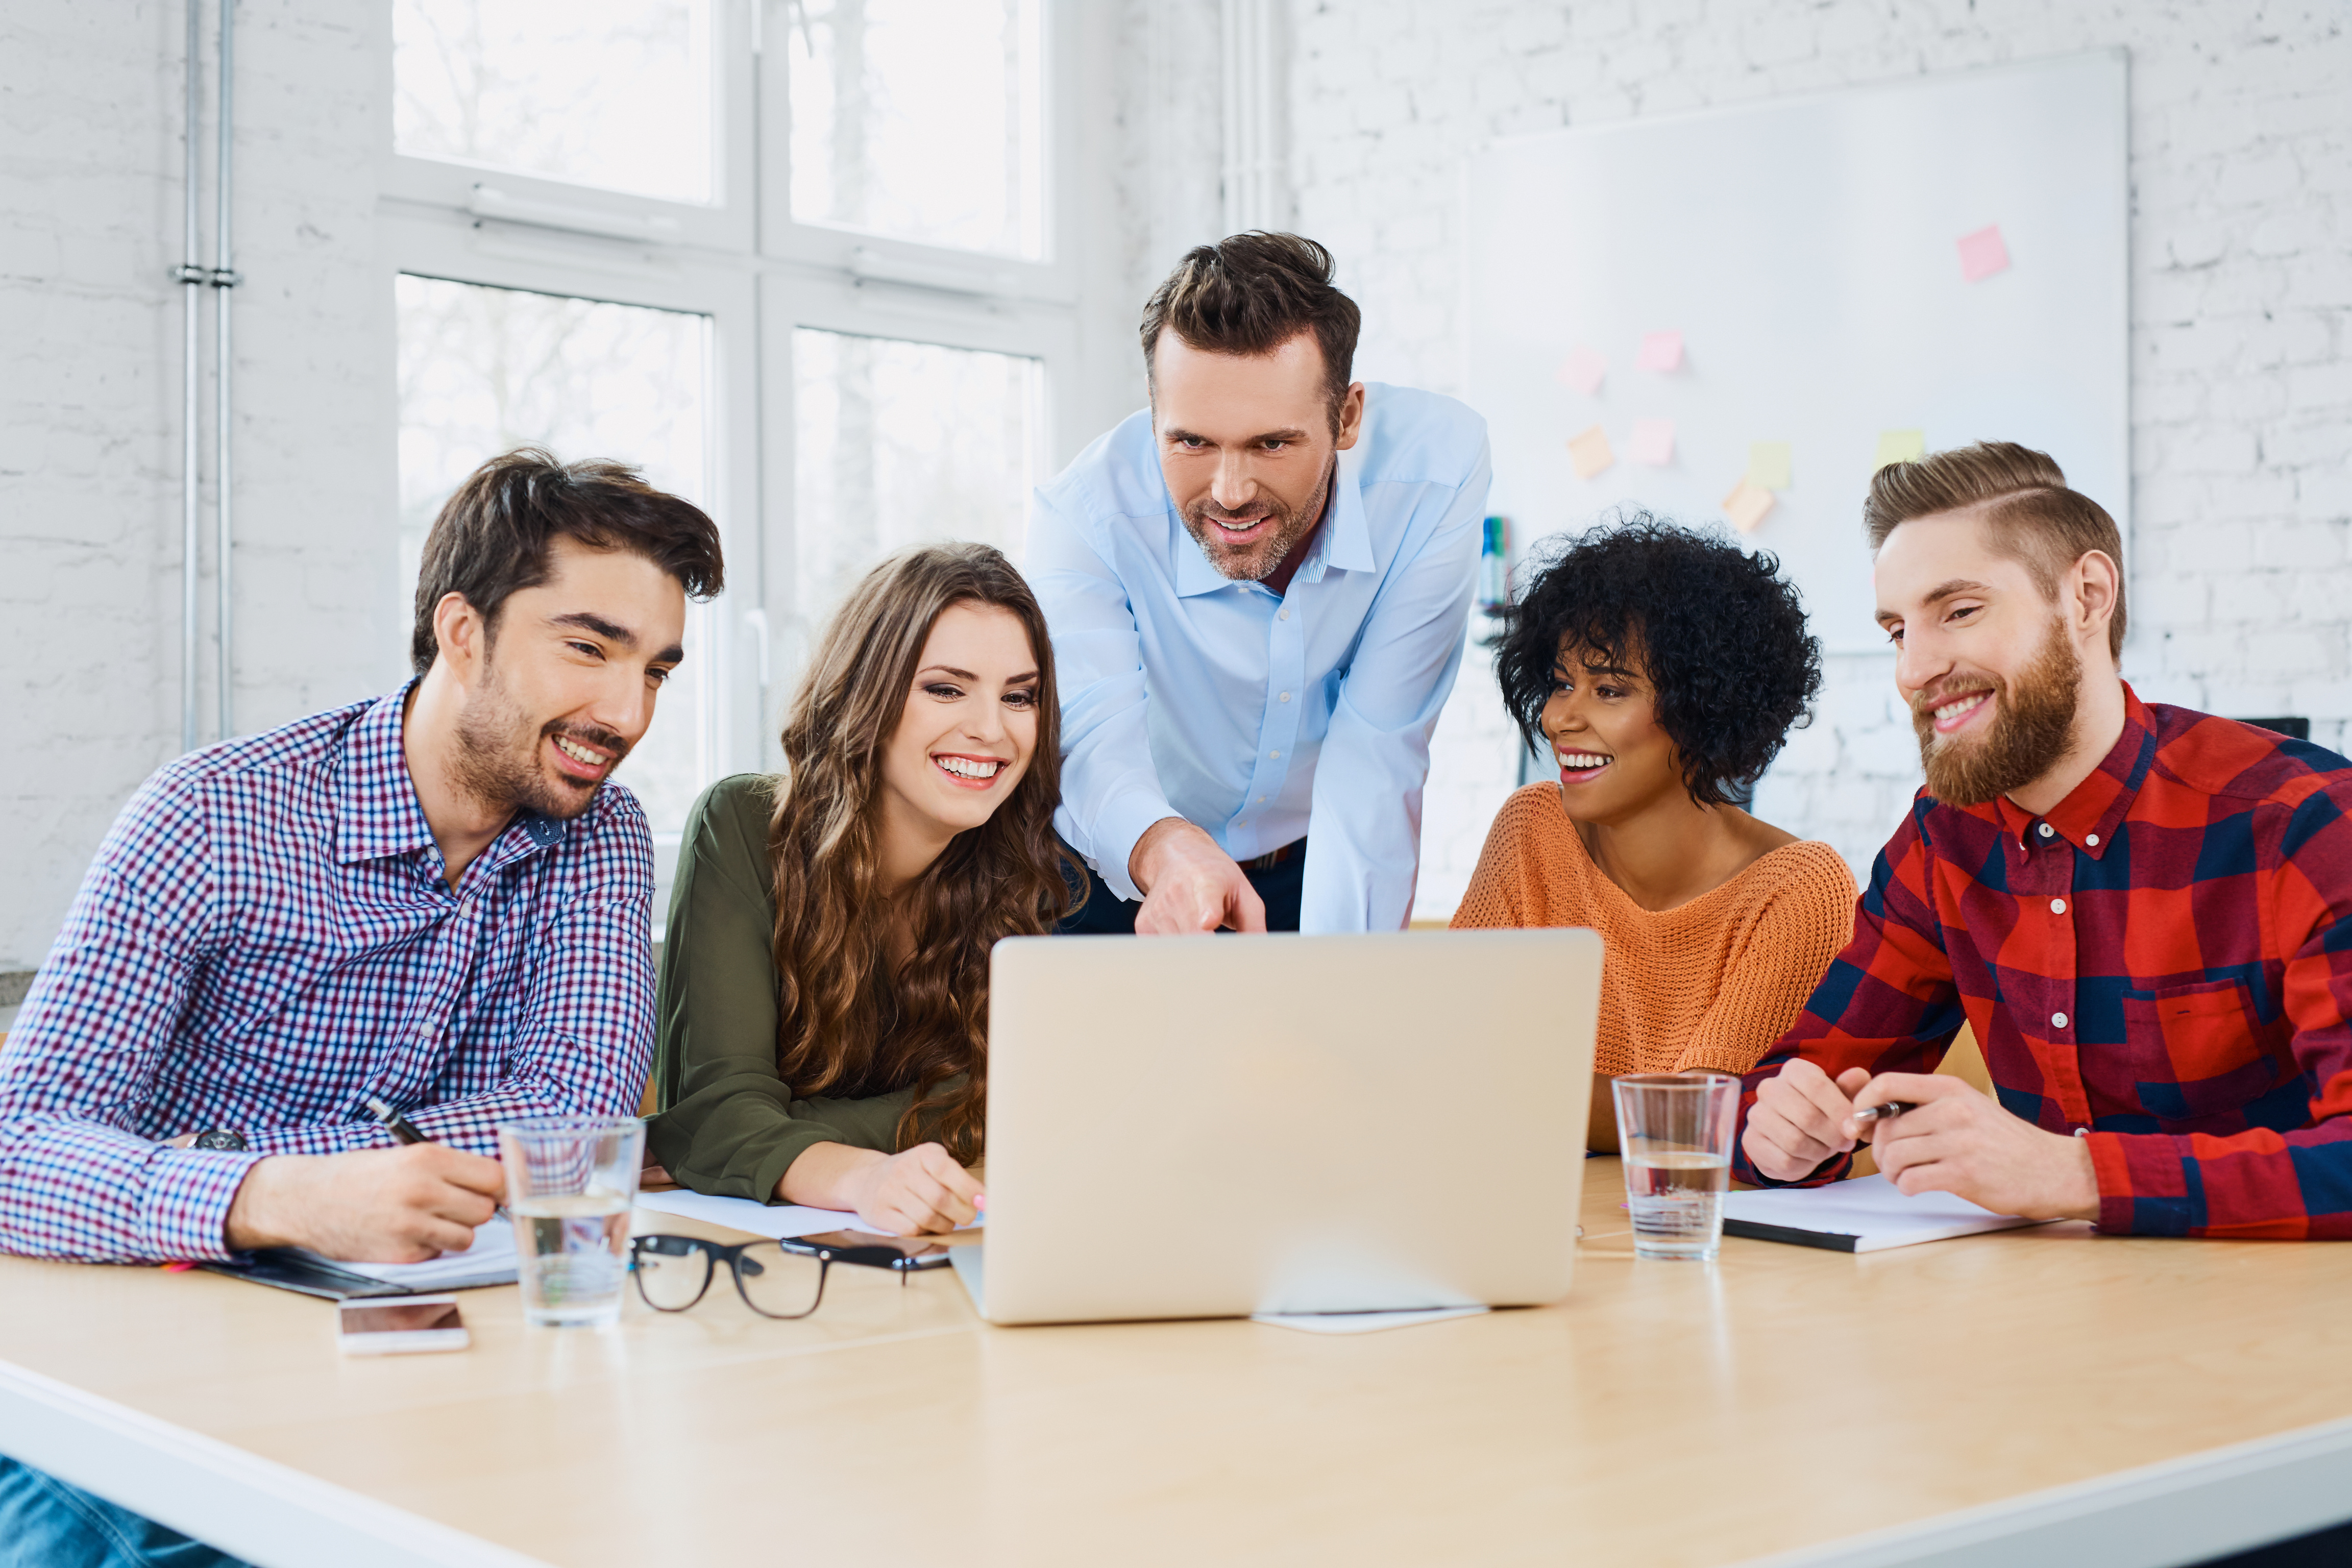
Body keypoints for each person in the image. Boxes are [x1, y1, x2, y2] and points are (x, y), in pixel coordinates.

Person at [0, 448, 722, 1562]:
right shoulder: (212, 817)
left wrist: (222, 1157)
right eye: (588, 648)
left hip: (416, 1360)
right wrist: (273, 1193)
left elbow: (574, 1118)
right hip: (131, 1369)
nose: (626, 712)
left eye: (659, 672)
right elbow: (19, 1150)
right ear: (463, 631)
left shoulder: (599, 837)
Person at [1737, 442, 2352, 1238]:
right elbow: (1802, 1078)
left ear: (2088, 596)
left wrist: (2074, 1175)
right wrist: (1782, 1132)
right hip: (2045, 1321)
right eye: (1897, 630)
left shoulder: (2303, 824)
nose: (1915, 670)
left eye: (1958, 612)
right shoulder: (1941, 841)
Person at [1028, 231, 1491, 935]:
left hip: (1314, 860)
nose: (1231, 491)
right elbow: (1092, 741)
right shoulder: (1086, 514)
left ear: (1347, 418)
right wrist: (1166, 847)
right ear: (1154, 419)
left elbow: (1379, 745)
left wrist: (1344, 991)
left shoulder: (1435, 472)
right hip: (1122, 857)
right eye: (1191, 442)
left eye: (1272, 444)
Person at [645, 544, 1072, 1237]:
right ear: (866, 692)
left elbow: (1016, 1098)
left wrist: (769, 1135)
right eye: (946, 688)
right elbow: (717, 1111)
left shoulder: (1034, 864)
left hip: (942, 1236)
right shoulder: (744, 829)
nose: (992, 729)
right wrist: (862, 1174)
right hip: (759, 1263)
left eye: (1019, 696)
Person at [1451, 518, 1856, 1150]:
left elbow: (1703, 1118)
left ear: (1702, 711)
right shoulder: (1532, 828)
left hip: (1694, 1230)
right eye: (1561, 684)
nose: (1560, 717)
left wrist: (1500, 1086)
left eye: (1609, 689)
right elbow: (1444, 1047)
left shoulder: (1797, 891)